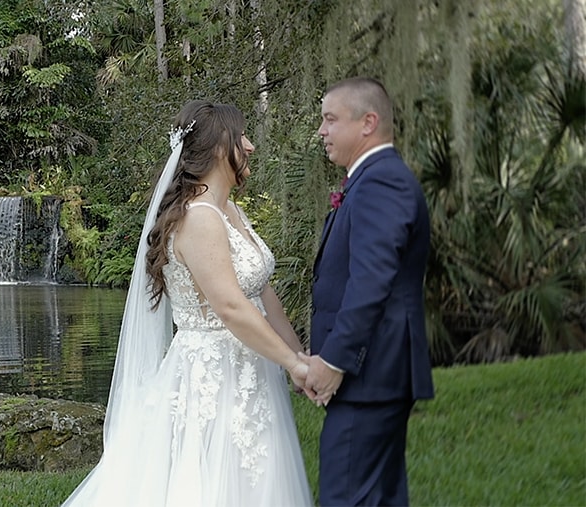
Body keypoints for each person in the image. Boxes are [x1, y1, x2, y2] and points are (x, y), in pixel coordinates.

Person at [62, 100, 313, 506]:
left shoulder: (228, 209)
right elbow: (230, 306)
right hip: (213, 375)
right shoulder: (198, 218)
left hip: (250, 368)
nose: (249, 146)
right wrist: (292, 364)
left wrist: (300, 355)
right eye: (241, 137)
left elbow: (261, 292)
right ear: (218, 149)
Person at [301, 77, 435, 506]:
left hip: (370, 373)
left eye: (330, 119)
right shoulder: (372, 180)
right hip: (377, 375)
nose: (322, 130)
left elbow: (371, 281)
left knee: (348, 498)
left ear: (368, 123)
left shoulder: (380, 182)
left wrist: (335, 360)